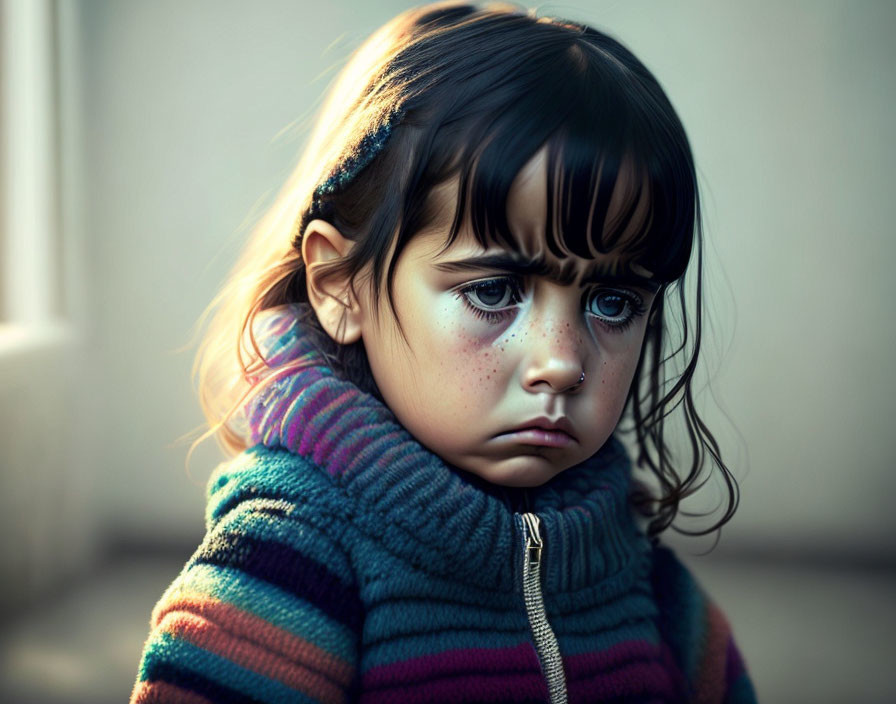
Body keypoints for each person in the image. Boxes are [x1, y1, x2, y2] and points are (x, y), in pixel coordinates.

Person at [130, 3, 757, 702]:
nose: (562, 362)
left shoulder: (637, 570)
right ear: (341, 287)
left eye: (612, 303)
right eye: (494, 290)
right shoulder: (286, 563)